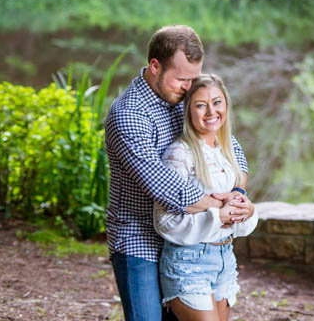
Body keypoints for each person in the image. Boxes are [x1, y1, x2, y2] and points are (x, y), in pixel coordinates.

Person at [105, 25, 253, 321]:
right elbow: (168, 189)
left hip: (192, 241)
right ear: (155, 66)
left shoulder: (183, 98)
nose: (188, 87)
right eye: (182, 78)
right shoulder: (128, 115)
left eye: (193, 78)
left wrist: (238, 194)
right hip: (141, 240)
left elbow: (232, 152)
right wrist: (222, 206)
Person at [154, 74, 258, 321]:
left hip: (224, 259)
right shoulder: (179, 155)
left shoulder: (227, 151)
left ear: (226, 105)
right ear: (187, 110)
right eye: (200, 104)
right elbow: (164, 221)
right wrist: (217, 215)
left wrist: (248, 211)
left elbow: (237, 215)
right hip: (188, 262)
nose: (211, 111)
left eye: (217, 102)